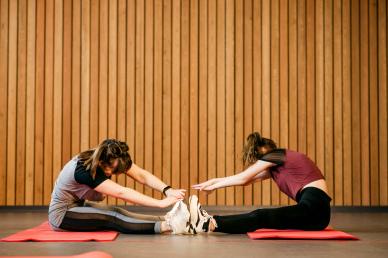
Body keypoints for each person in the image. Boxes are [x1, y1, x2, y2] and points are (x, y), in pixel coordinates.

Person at [188, 132, 332, 234]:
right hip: (316, 213)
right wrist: (214, 181)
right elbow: (245, 180)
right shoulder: (276, 167)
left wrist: (214, 185)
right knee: (261, 216)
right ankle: (208, 222)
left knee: (260, 216)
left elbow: (243, 178)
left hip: (315, 208)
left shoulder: (277, 154)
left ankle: (209, 223)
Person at [49, 139, 189, 234]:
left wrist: (167, 190)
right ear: (103, 163)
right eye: (113, 171)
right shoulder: (85, 170)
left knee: (117, 211)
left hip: (78, 205)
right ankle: (170, 226)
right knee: (113, 217)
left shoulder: (110, 157)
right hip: (62, 215)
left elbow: (142, 175)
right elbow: (122, 193)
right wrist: (160, 203)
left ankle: (170, 219)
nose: (113, 174)